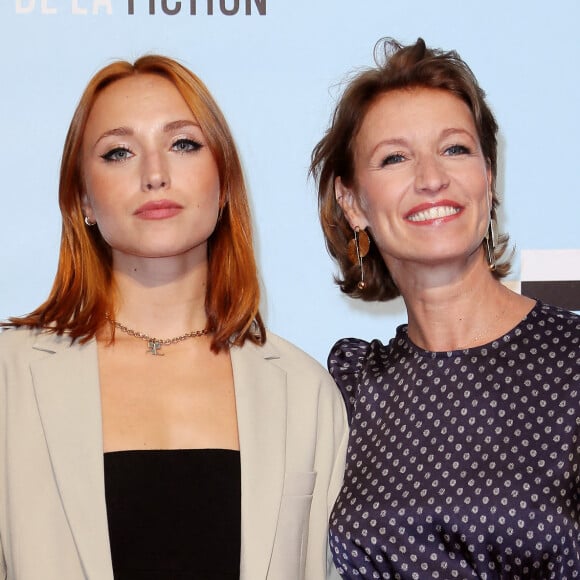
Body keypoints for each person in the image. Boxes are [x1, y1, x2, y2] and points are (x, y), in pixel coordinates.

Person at [0, 55, 347, 580]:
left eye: (183, 144)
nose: (155, 174)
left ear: (224, 182)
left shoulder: (304, 391)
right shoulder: (11, 377)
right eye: (118, 152)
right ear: (83, 200)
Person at [310, 37, 580, 579]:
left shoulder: (573, 363)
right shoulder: (348, 386)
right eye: (394, 158)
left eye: (455, 149)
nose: (432, 178)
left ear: (489, 176)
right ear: (353, 203)